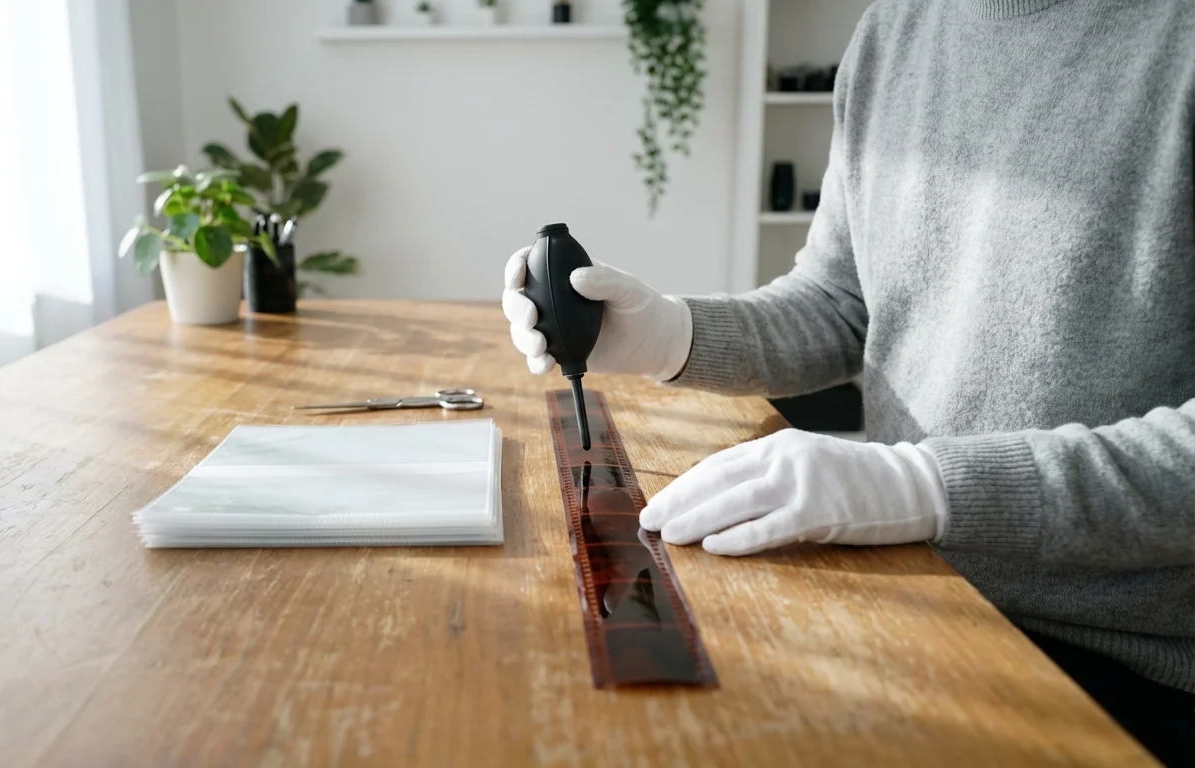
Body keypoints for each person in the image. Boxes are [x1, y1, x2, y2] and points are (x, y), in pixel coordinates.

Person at [502, 0, 1193, 762]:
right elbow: (841, 303)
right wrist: (671, 334)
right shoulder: (896, 30)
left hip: (1121, 657)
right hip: (912, 587)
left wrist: (927, 487)